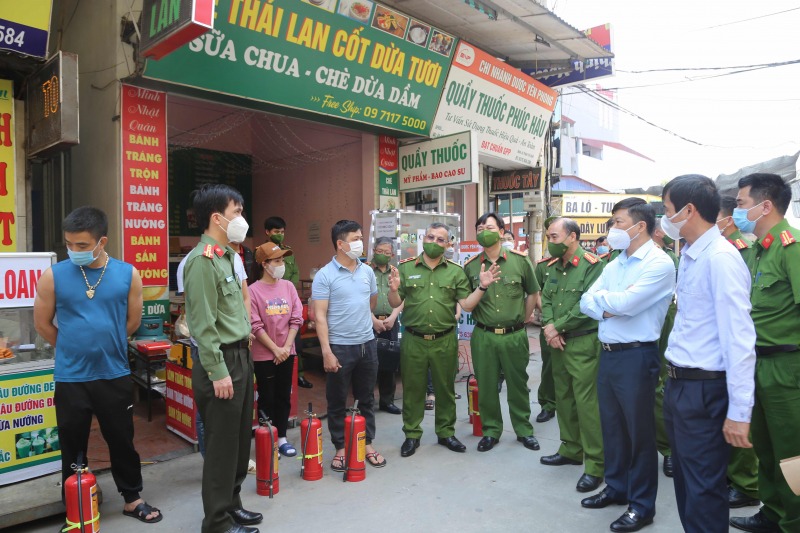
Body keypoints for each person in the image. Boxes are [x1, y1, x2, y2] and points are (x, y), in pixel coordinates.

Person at [33, 206, 162, 525]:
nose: (73, 251)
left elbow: (132, 321)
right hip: (71, 377)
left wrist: (104, 343)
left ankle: (132, 498)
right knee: (72, 444)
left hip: (114, 373)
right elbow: (43, 324)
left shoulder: (127, 274)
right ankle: (75, 507)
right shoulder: (54, 276)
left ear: (101, 241)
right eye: (69, 244)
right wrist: (74, 347)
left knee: (121, 439)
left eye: (81, 245)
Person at [659, 174, 755, 533]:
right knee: (686, 482)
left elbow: (740, 339)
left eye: (668, 210)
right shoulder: (690, 254)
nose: (665, 220)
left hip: (705, 390)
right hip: (681, 386)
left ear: (689, 210)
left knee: (704, 489)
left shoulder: (721, 259)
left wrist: (739, 412)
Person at [579, 199, 676, 532]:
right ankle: (617, 487)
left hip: (637, 355)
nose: (612, 229)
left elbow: (629, 304)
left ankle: (642, 504)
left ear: (639, 226)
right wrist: (611, 306)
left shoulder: (658, 263)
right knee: (613, 428)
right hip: (609, 353)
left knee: (639, 434)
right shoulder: (616, 262)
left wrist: (606, 304)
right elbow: (585, 301)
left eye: (618, 222)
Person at [183, 184, 261, 533]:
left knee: (240, 439)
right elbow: (202, 324)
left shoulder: (229, 256)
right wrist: (218, 372)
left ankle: (231, 504)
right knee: (221, 447)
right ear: (217, 218)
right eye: (237, 213)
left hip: (240, 358)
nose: (241, 219)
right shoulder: (202, 262)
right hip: (221, 363)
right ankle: (216, 522)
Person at [388, 222, 499, 457]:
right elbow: (395, 303)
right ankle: (411, 434)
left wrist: (482, 286)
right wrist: (394, 289)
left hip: (445, 340)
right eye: (430, 237)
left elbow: (467, 305)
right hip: (414, 340)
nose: (434, 243)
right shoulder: (405, 268)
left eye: (441, 239)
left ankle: (446, 433)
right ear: (423, 239)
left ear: (449, 244)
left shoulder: (456, 272)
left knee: (445, 389)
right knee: (413, 389)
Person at [730, 173, 800, 533]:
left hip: (787, 367)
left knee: (793, 455)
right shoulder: (757, 251)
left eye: (741, 204)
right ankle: (771, 513)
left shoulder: (793, 247)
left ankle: (794, 522)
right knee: (766, 448)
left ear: (766, 205)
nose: (737, 211)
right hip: (757, 364)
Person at [312, 220, 386, 471]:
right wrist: (326, 352)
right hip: (339, 348)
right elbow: (319, 316)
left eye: (361, 237)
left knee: (366, 398)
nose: (361, 242)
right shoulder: (325, 276)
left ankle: (367, 443)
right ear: (340, 244)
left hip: (367, 345)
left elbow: (371, 303)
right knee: (337, 401)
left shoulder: (367, 272)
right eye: (356, 238)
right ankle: (341, 447)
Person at [539, 217, 605, 494]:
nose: (550, 242)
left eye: (554, 237)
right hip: (558, 344)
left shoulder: (593, 265)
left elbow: (588, 305)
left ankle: (595, 465)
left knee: (587, 405)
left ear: (573, 237)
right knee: (564, 398)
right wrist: (550, 329)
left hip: (583, 343)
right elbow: (548, 299)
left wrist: (558, 326)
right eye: (549, 237)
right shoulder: (553, 267)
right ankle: (570, 449)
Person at [464, 213, 540, 452]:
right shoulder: (471, 266)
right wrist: (481, 285)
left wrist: (526, 317)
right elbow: (466, 303)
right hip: (484, 336)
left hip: (514, 335)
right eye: (479, 228)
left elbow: (532, 292)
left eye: (489, 227)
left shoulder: (520, 261)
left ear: (501, 231)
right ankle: (491, 430)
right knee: (486, 385)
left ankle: (523, 430)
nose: (483, 231)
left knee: (518, 383)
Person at [176, 235, 251, 458]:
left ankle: (232, 459)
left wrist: (246, 328)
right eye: (234, 213)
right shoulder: (197, 261)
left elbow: (244, 298)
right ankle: (212, 460)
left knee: (235, 410)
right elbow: (198, 313)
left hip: (239, 347)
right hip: (211, 349)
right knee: (211, 410)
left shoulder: (233, 258)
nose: (239, 220)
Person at [717, 195, 761, 510]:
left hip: (743, 344)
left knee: (741, 412)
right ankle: (734, 477)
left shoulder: (736, 251)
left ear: (726, 219)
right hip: (722, 347)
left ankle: (746, 483)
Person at [249, 242, 304, 457]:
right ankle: (267, 437)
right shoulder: (253, 291)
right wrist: (275, 349)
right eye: (277, 261)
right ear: (264, 264)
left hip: (287, 352)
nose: (282, 265)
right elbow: (255, 325)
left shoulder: (288, 287)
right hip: (264, 355)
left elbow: (296, 318)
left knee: (283, 395)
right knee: (266, 396)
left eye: (282, 260)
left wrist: (287, 347)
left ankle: (281, 437)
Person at [264, 216, 312, 389]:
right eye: (277, 232)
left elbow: (295, 275)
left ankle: (298, 375)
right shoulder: (262, 251)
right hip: (270, 304)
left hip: (289, 302)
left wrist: (286, 290)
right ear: (267, 232)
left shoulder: (288, 251)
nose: (280, 235)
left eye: (282, 232)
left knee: (295, 343)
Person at [651, 218, 678, 478]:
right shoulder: (617, 258)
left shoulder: (665, 259)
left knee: (657, 386)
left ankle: (669, 449)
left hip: (659, 321)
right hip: (623, 336)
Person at [371, 237, 403, 415]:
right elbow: (360, 297)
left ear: (392, 255)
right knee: (369, 364)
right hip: (369, 321)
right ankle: (367, 402)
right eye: (379, 251)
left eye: (386, 252)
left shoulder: (396, 272)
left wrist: (393, 317)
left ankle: (387, 401)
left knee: (389, 363)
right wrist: (373, 321)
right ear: (374, 250)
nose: (383, 255)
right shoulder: (366, 270)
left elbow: (402, 297)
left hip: (391, 321)